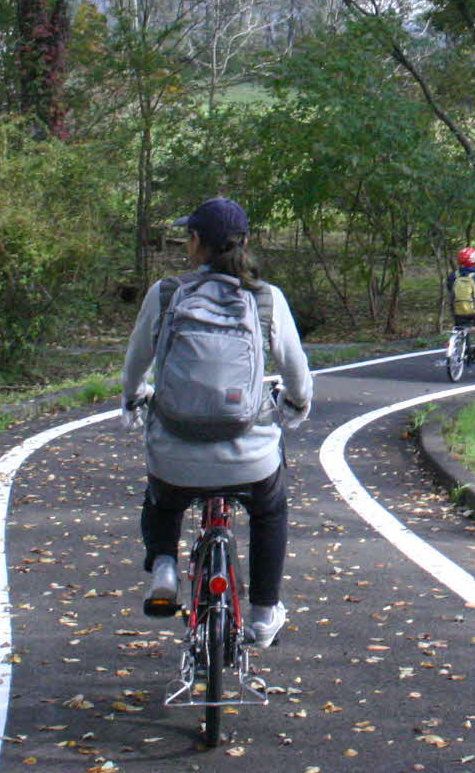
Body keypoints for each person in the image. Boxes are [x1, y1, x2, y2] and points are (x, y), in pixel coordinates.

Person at [122, 196, 313, 648]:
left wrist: (133, 400)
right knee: (270, 509)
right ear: (244, 242)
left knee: (162, 496)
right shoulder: (266, 299)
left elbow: (136, 364)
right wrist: (296, 404)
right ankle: (264, 613)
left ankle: (165, 564)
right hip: (248, 454)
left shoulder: (167, 293)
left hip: (176, 455)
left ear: (194, 242)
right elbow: (297, 373)